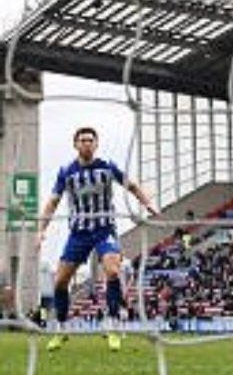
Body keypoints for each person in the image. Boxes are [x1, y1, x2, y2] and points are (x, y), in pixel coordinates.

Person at [35, 126, 160, 351]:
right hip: (78, 233)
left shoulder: (107, 167)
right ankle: (61, 329)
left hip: (105, 230)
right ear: (75, 145)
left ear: (96, 144)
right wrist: (41, 230)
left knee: (112, 271)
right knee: (60, 281)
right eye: (82, 140)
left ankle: (112, 325)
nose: (87, 144)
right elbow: (52, 202)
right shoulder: (66, 172)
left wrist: (147, 202)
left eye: (90, 140)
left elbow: (131, 185)